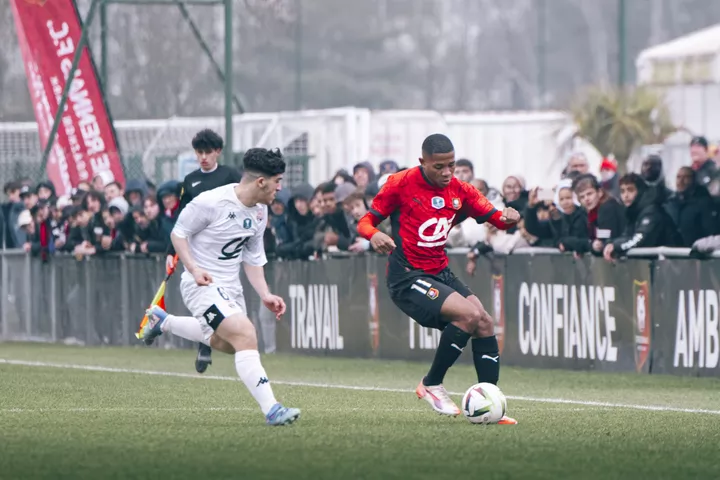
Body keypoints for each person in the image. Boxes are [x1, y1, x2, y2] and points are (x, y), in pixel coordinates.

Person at [357, 133, 520, 424]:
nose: (447, 173)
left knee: (483, 321)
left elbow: (496, 218)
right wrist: (375, 234)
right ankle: (431, 384)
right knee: (469, 315)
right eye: (439, 167)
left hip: (438, 271)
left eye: (451, 166)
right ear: (423, 162)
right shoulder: (400, 183)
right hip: (406, 277)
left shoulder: (461, 190)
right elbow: (364, 222)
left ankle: (491, 402)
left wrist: (509, 216)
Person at [141, 148, 300, 426]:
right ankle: (272, 409)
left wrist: (265, 293)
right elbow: (179, 233)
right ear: (261, 182)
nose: (280, 187)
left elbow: (252, 258)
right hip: (200, 285)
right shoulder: (211, 202)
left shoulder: (261, 212)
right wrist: (193, 268)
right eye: (278, 180)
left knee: (228, 344)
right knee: (246, 334)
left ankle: (162, 321)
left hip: (230, 289)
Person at [166, 129, 242, 375]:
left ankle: (198, 338)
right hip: (200, 252)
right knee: (207, 299)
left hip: (224, 251)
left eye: (208, 152)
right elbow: (182, 218)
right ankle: (205, 345)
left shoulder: (231, 175)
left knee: (234, 315)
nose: (203, 157)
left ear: (217, 151)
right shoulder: (190, 181)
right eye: (199, 152)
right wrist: (172, 250)